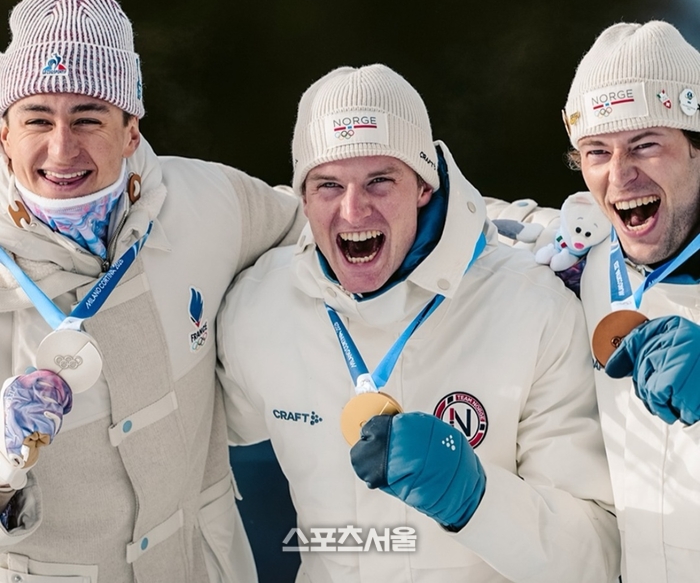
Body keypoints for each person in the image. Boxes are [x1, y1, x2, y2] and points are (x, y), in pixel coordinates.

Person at [216, 64, 620, 582]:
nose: (353, 210)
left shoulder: (532, 307)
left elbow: (597, 555)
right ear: (303, 196)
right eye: (328, 184)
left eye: (380, 181)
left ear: (424, 186)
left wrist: (475, 499)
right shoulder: (258, 307)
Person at [0, 0, 305, 582]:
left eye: (88, 117)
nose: (62, 148)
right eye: (37, 119)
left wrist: (497, 237)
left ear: (131, 129)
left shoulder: (207, 202)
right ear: (4, 132)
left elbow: (334, 230)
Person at [486, 20, 700, 583]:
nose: (619, 175)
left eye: (646, 145)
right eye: (597, 151)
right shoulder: (580, 251)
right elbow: (462, 221)